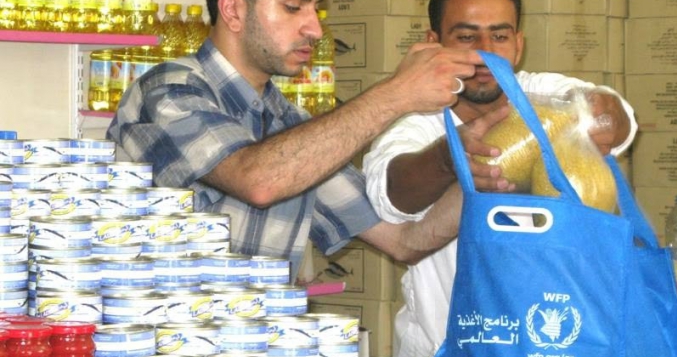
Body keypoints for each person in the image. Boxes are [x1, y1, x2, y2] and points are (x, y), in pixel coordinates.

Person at [361, 0, 638, 357]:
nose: (486, 52)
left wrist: (606, 113)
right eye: (467, 36)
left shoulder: (543, 95)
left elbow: (616, 114)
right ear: (434, 42)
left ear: (519, 44)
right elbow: (390, 193)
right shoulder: (415, 120)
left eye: (500, 36)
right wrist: (448, 159)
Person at [105, 0, 497, 279]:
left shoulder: (289, 123)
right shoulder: (167, 90)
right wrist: (396, 94)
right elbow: (258, 180)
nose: (315, 29)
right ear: (233, 10)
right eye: (293, 8)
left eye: (315, 9)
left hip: (250, 354)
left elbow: (405, 241)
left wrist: (480, 171)